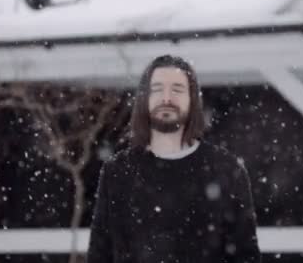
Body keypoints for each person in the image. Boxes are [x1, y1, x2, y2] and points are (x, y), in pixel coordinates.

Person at [87, 55, 261, 263]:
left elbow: (245, 257)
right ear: (145, 99)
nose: (166, 98)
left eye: (177, 89)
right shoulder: (117, 172)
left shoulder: (227, 170)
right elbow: (99, 255)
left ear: (192, 100)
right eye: (158, 89)